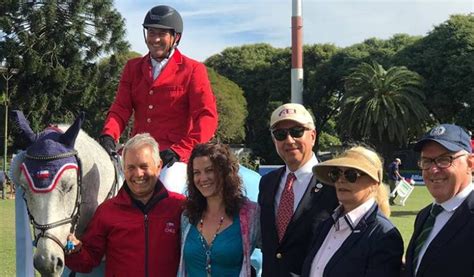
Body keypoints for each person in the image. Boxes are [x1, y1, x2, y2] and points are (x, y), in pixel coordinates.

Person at [99, 5, 218, 192]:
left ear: (175, 37)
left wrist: (180, 150)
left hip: (171, 156)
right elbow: (120, 108)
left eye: (161, 34)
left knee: (167, 186)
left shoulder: (193, 69)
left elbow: (206, 117)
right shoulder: (132, 67)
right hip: (136, 153)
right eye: (151, 32)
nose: (154, 39)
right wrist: (108, 135)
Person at [65, 133, 185, 276]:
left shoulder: (179, 206)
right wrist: (74, 250)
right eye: (131, 167)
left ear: (158, 166)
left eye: (144, 166)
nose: (138, 174)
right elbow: (88, 261)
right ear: (123, 169)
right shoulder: (107, 211)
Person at [258, 103, 338, 276]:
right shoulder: (267, 183)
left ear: (313, 136)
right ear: (274, 140)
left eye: (297, 131)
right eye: (280, 134)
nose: (289, 140)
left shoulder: (334, 183)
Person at [301, 146, 404, 277]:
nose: (341, 180)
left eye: (351, 175)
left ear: (374, 183)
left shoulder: (383, 235)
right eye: (336, 174)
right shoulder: (326, 225)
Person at [178, 143, 260, 276]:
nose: (203, 178)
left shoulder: (251, 215)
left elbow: (275, 251)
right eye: (196, 173)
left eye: (209, 170)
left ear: (224, 171)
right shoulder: (187, 216)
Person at [403, 124, 474, 277]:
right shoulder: (425, 216)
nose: (433, 170)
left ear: (470, 163)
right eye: (427, 161)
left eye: (444, 160)